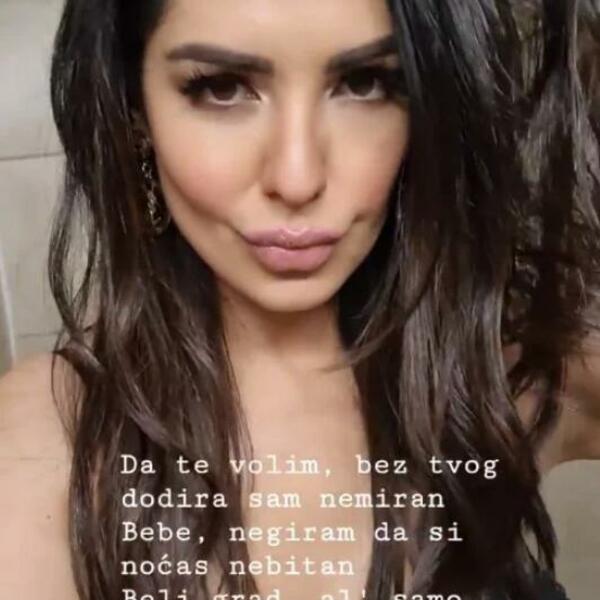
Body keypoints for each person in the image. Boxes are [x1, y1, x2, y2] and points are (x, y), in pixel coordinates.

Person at [0, 1, 599, 599]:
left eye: (364, 84)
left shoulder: (506, 376)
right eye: (222, 88)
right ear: (137, 117)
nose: (297, 178)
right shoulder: (50, 443)